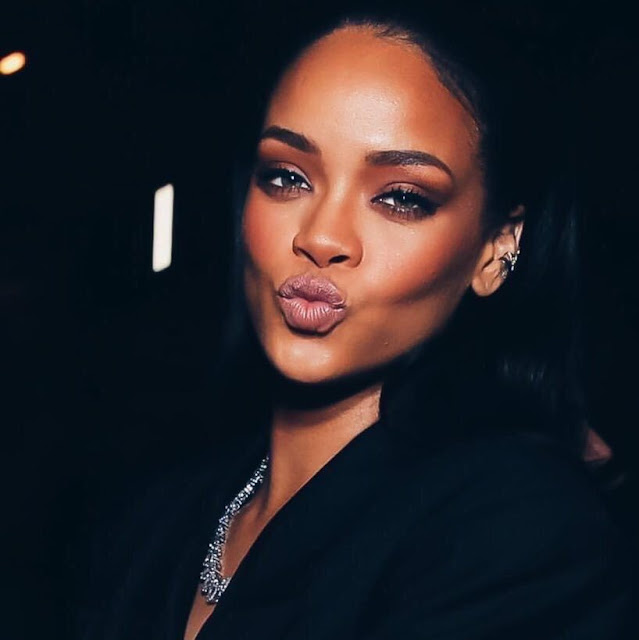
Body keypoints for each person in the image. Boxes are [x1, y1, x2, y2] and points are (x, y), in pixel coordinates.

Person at [76, 3, 636, 639]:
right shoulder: (155, 521)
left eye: (400, 197)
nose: (321, 237)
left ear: (495, 248)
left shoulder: (522, 532)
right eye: (287, 177)